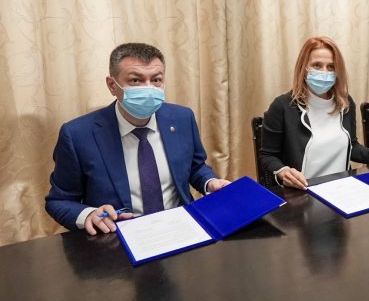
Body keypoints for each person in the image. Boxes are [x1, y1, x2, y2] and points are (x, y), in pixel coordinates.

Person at [45, 43, 230, 235]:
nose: (148, 88)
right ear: (112, 85)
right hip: (118, 236)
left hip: (181, 228)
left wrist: (209, 182)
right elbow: (59, 201)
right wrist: (89, 215)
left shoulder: (182, 118)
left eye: (156, 79)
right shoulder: (78, 135)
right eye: (135, 80)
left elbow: (195, 167)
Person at [260, 36, 369, 190]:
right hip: (302, 191)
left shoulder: (345, 103)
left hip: (341, 188)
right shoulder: (282, 106)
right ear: (303, 68)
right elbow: (268, 156)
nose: (324, 72)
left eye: (331, 67)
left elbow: (352, 147)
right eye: (317, 65)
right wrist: (283, 172)